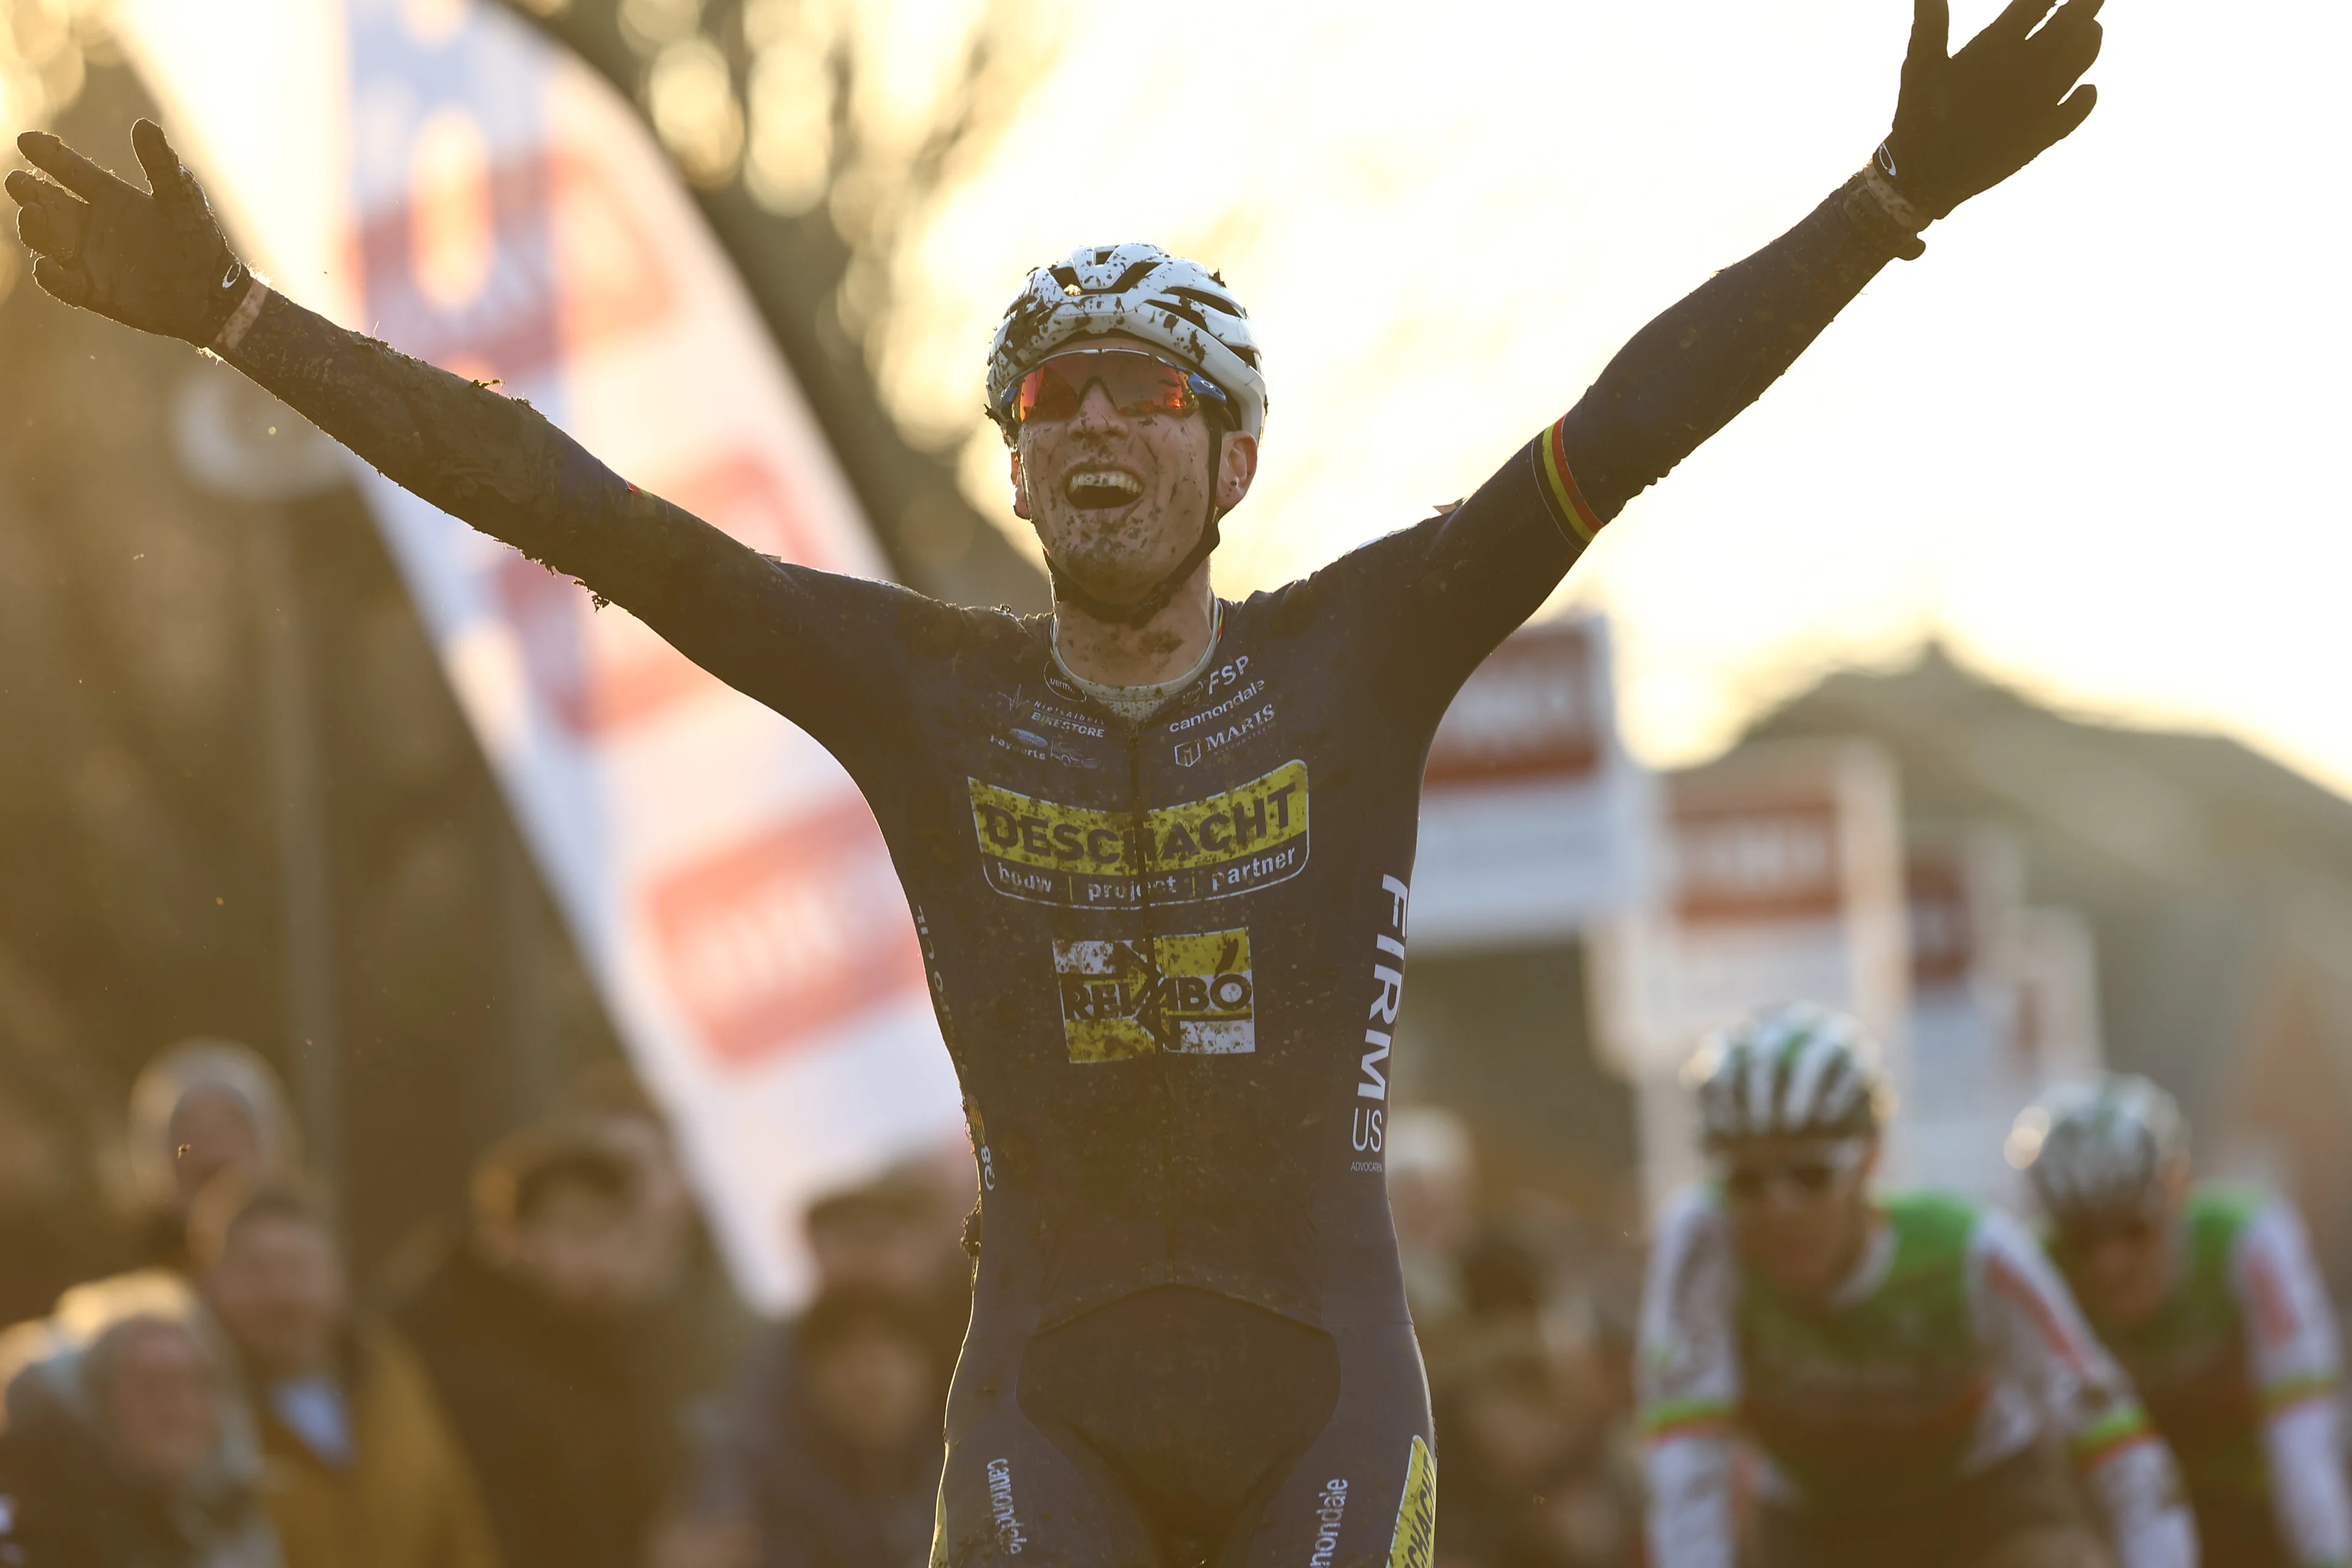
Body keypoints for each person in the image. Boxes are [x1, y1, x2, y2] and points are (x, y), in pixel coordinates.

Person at [9, 1, 2108, 1555]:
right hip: (1049, 1390)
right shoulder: (917, 690)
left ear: (1230, 458)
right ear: (1013, 464)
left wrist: (1886, 202)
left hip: (1326, 1389)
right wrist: (241, 319)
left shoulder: (1365, 649)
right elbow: (584, 507)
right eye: (1048, 401)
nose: (1092, 427)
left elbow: (1629, 421)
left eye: (1147, 393)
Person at [1637, 1003, 2195, 1568]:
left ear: (1869, 1158)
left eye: (1810, 1174)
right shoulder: (1703, 1240)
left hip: (1981, 1500)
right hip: (1815, 1522)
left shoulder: (1975, 1252)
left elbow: (2121, 1453)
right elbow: (1687, 1468)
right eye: (1745, 1180)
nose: (1779, 1210)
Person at [2018, 1074, 2352, 1568]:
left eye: (2134, 1228)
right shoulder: (2035, 1272)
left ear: (2178, 1190)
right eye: (2082, 1238)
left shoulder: (2250, 1241)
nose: (2110, 1263)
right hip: (2113, 1507)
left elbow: (2303, 1449)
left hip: (2255, 1497)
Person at [394, 1126, 669, 1568]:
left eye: (616, 1232)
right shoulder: (445, 1341)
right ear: (511, 1236)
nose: (602, 1255)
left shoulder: (602, 1338)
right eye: (579, 1231)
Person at [196, 1184, 503, 1568]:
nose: (280, 1294)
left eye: (298, 1267)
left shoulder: (392, 1373)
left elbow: (458, 1527)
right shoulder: (193, 1407)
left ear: (338, 1275)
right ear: (212, 1283)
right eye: (255, 1271)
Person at [0, 1312, 278, 1568]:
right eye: (151, 1387)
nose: (178, 1408)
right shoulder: (38, 1533)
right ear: (99, 1403)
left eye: (197, 1384)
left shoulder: (248, 1515)